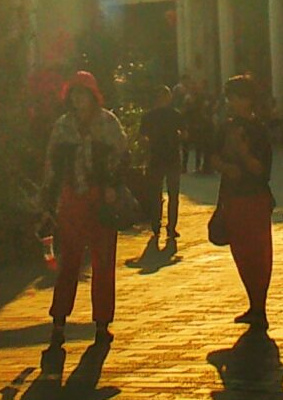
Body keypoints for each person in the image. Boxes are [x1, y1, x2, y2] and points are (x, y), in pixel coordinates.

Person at [40, 70, 129, 346]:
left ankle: (102, 323)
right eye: (74, 95)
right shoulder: (63, 127)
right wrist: (47, 204)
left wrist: (113, 185)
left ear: (93, 96)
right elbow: (52, 166)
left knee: (104, 262)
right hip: (71, 200)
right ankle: (59, 320)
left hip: (101, 198)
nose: (78, 100)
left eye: (83, 94)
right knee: (69, 264)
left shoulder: (108, 123)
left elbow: (123, 156)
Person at [216, 74, 277, 329]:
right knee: (240, 252)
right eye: (230, 97)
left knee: (259, 253)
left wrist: (242, 152)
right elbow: (213, 157)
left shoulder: (259, 131)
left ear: (249, 100)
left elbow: (261, 170)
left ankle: (259, 304)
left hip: (255, 197)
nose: (233, 102)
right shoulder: (225, 127)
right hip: (232, 197)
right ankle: (253, 301)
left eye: (237, 97)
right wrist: (225, 167)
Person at [139, 80, 185, 251]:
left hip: (157, 158)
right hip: (171, 158)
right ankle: (170, 227)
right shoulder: (175, 114)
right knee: (173, 196)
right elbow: (184, 134)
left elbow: (142, 138)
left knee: (156, 194)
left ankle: (156, 225)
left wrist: (147, 145)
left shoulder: (148, 116)